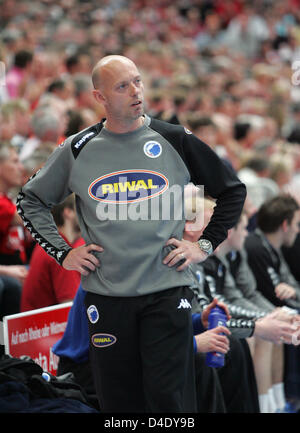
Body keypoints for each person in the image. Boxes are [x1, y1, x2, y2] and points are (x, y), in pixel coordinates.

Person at [17, 55, 246, 412]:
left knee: (170, 405)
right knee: (120, 406)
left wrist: (202, 245)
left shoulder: (174, 138)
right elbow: (30, 201)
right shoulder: (77, 148)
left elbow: (232, 190)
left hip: (167, 293)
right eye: (122, 86)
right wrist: (64, 253)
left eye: (137, 81)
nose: (136, 91)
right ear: (100, 97)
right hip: (107, 299)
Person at [245, 194, 300, 407]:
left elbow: (292, 288)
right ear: (285, 225)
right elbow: (269, 297)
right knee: (280, 327)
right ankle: (276, 404)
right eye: (297, 224)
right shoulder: (256, 248)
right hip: (257, 313)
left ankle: (280, 402)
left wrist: (294, 295)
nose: (298, 229)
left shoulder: (272, 249)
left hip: (264, 309)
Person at [21, 195, 83, 312]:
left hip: (35, 326)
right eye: (82, 210)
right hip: (46, 326)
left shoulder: (49, 244)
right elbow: (70, 309)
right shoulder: (63, 255)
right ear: (68, 212)